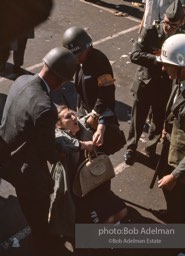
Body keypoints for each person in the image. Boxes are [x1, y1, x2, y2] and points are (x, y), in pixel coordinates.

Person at [0, 47, 77, 255]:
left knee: (26, 202)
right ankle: (43, 242)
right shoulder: (45, 107)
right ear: (59, 79)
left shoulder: (20, 81)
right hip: (27, 171)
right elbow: (47, 151)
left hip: (7, 159)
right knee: (40, 209)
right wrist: (60, 151)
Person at [124, 0, 184, 165]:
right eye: (166, 23)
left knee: (158, 120)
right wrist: (159, 60)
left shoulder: (181, 36)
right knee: (138, 118)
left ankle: (150, 147)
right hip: (146, 81)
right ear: (163, 18)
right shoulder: (150, 31)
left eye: (173, 25)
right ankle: (131, 148)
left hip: (166, 86)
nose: (169, 28)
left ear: (181, 23)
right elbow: (134, 55)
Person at [53, 105, 128, 226]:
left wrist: (100, 128)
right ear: (58, 125)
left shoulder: (83, 124)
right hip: (79, 189)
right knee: (105, 221)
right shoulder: (59, 136)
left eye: (73, 114)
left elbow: (106, 111)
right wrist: (83, 145)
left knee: (123, 212)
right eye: (68, 117)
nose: (74, 117)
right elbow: (60, 142)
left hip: (96, 181)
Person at [61, 27, 122, 154]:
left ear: (88, 47)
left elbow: (107, 93)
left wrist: (96, 115)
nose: (76, 59)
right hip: (85, 112)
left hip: (98, 116)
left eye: (79, 55)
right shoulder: (79, 61)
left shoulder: (99, 62)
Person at [156, 34, 185, 223]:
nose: (163, 67)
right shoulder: (178, 80)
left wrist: (175, 176)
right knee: (175, 200)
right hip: (173, 150)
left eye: (168, 64)